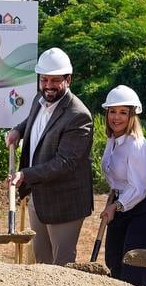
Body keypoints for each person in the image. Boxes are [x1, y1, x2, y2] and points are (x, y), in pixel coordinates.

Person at [6, 47, 93, 265]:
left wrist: (25, 175)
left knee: (61, 267)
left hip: (64, 203)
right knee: (42, 265)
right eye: (44, 80)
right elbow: (34, 122)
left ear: (68, 79)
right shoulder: (39, 99)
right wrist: (18, 130)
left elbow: (63, 163)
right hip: (40, 196)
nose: (48, 86)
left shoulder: (79, 116)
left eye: (55, 80)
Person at [98, 85, 146, 286]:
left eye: (123, 112)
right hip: (121, 202)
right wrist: (114, 202)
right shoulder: (112, 140)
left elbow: (138, 188)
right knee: (113, 261)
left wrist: (115, 207)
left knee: (134, 264)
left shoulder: (136, 145)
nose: (116, 117)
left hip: (145, 206)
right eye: (112, 112)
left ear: (132, 115)